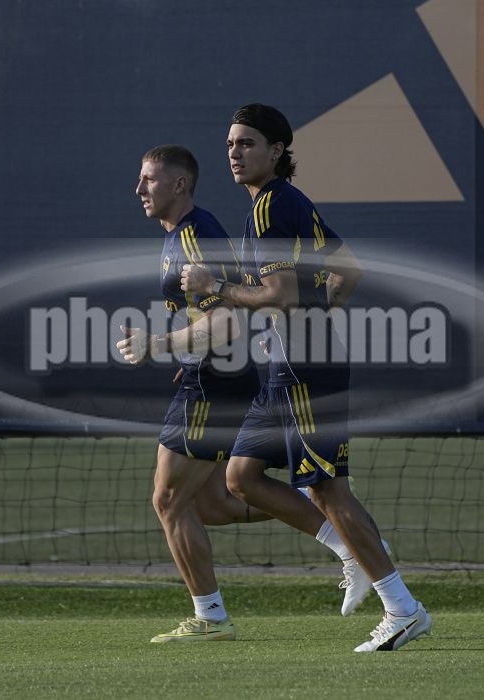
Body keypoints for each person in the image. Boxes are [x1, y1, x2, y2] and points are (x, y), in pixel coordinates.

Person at [181, 105, 433, 652]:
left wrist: (213, 286)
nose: (234, 152)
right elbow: (350, 270)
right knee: (241, 476)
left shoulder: (273, 205)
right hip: (289, 363)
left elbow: (279, 294)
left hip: (304, 369)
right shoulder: (281, 202)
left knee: (324, 487)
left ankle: (403, 609)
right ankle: (351, 552)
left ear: (276, 151)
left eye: (247, 143)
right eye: (230, 143)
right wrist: (304, 321)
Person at [117, 144, 382, 644]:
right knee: (213, 502)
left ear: (179, 184)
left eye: (149, 179)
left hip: (212, 385)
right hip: (210, 376)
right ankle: (349, 536)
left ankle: (212, 617)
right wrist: (187, 350)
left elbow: (226, 323)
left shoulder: (196, 236)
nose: (139, 189)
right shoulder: (180, 236)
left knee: (169, 499)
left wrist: (160, 345)